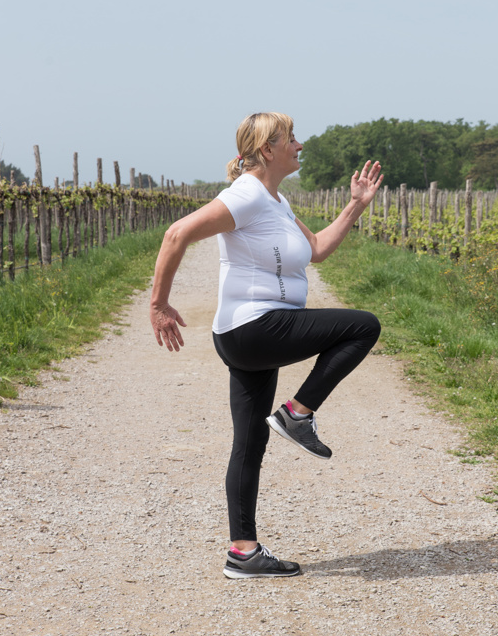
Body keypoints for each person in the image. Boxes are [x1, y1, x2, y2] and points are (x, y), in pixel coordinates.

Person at [150, 112, 383, 579]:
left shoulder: (276, 201)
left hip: (250, 334)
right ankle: (297, 414)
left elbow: (316, 249)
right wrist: (159, 303)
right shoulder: (248, 195)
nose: (300, 144)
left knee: (250, 441)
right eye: (290, 138)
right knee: (363, 326)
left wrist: (356, 206)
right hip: (256, 327)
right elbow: (177, 233)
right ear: (266, 150)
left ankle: (244, 553)